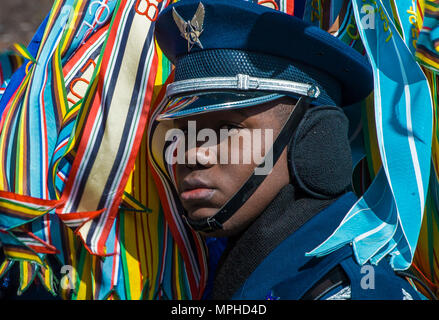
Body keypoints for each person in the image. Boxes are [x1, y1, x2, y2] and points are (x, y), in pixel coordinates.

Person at [153, 0, 424, 300]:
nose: (191, 154)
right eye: (183, 131)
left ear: (313, 136)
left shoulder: (354, 290)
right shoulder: (239, 270)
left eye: (228, 129)